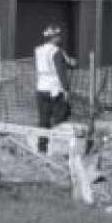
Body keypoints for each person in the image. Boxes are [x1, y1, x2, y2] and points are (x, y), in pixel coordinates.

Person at [33, 24, 71, 152]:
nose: (60, 37)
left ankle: (42, 147)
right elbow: (61, 72)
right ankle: (57, 147)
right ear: (53, 37)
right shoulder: (56, 52)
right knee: (60, 118)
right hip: (55, 89)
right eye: (58, 35)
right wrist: (66, 89)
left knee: (43, 120)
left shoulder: (38, 50)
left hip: (41, 88)